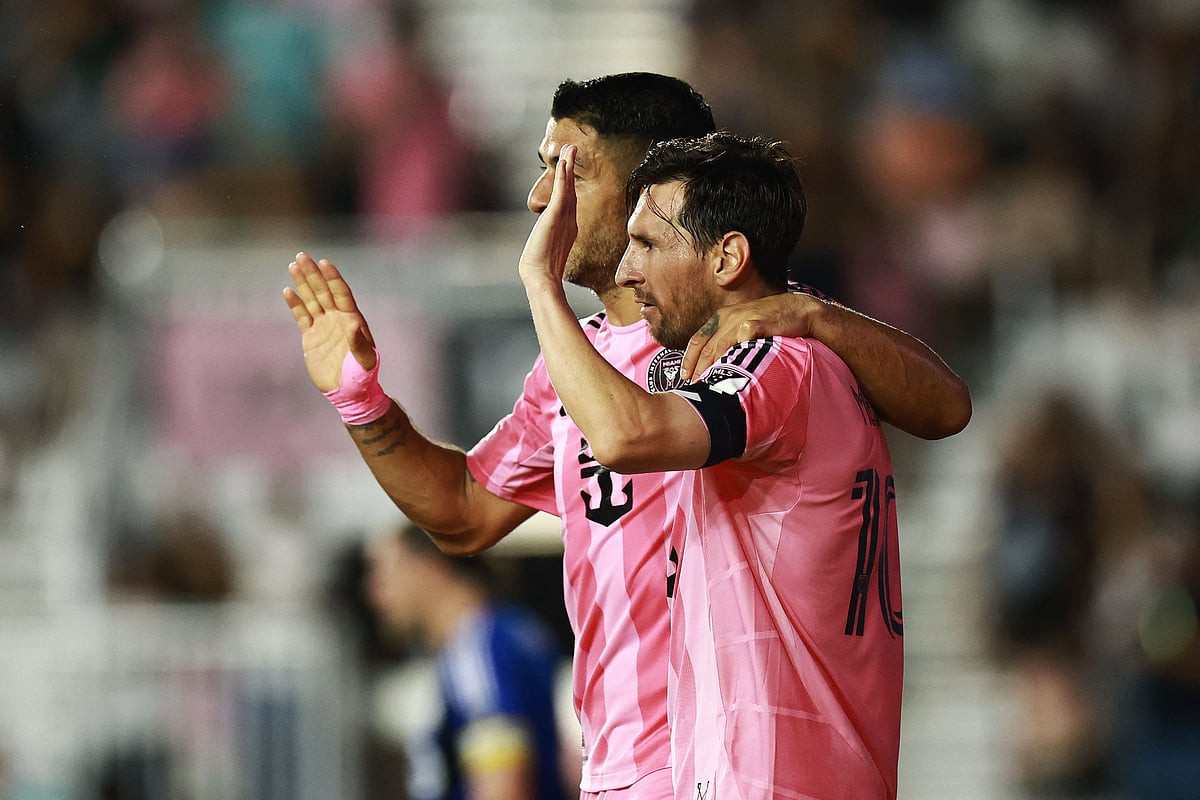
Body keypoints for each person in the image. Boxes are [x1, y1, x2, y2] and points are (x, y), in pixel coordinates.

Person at [283, 73, 968, 798]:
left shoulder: (754, 337)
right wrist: (360, 400)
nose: (540, 197)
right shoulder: (576, 364)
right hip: (625, 765)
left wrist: (817, 315)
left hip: (723, 762)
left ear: (650, 183)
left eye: (567, 170)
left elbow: (945, 406)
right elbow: (462, 510)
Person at [519, 131, 902, 798]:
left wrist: (541, 285)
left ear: (727, 257)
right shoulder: (814, 353)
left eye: (649, 244)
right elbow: (950, 404)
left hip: (777, 776)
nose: (628, 270)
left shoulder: (774, 362)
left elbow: (624, 436)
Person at [364, 522, 568, 800]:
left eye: (382, 573)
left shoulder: (478, 650)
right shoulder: (490, 639)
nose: (373, 593)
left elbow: (502, 787)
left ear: (430, 567)